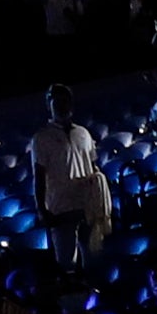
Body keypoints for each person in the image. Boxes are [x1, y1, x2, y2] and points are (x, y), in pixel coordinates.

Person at [30, 85, 101, 267]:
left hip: (87, 206)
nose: (61, 105)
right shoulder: (42, 138)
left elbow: (93, 166)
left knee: (92, 261)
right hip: (60, 209)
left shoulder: (83, 133)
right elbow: (39, 174)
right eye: (56, 101)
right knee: (66, 262)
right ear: (49, 105)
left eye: (65, 100)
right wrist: (41, 208)